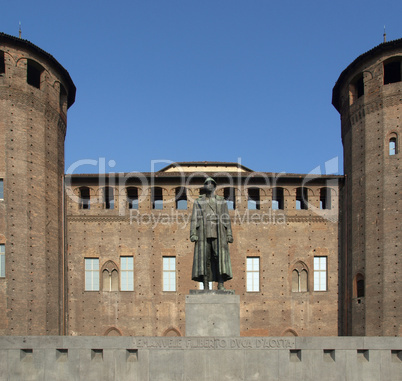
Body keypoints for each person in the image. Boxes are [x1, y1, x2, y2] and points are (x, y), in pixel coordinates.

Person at [190, 177, 233, 290]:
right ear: (204, 187)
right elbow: (194, 218)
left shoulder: (221, 201)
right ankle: (205, 285)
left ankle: (221, 283)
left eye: (211, 183)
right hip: (203, 232)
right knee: (205, 259)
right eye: (207, 183)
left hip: (218, 232)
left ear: (214, 186)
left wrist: (229, 233)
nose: (209, 185)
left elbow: (226, 218)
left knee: (219, 258)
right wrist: (193, 233)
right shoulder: (198, 202)